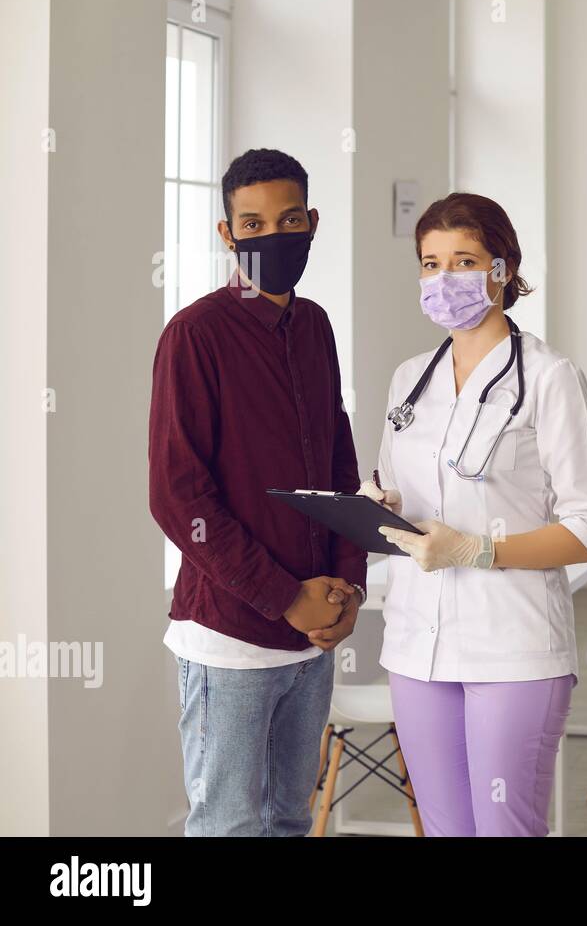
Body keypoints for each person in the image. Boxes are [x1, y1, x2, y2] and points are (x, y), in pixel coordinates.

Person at [362, 192, 587, 837]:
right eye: (429, 263)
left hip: (514, 646)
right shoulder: (409, 380)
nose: (443, 279)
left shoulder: (551, 377)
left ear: (502, 270)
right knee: (447, 831)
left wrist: (478, 551)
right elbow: (395, 491)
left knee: (504, 829)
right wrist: (375, 507)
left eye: (463, 260)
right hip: (417, 642)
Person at [149, 149, 365, 836]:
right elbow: (178, 496)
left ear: (313, 223)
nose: (273, 235)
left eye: (289, 219)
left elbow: (337, 464)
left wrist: (349, 588)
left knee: (290, 821)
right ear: (227, 234)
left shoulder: (315, 326)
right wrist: (285, 597)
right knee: (231, 826)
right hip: (231, 639)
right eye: (253, 222)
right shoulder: (195, 334)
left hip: (313, 637)